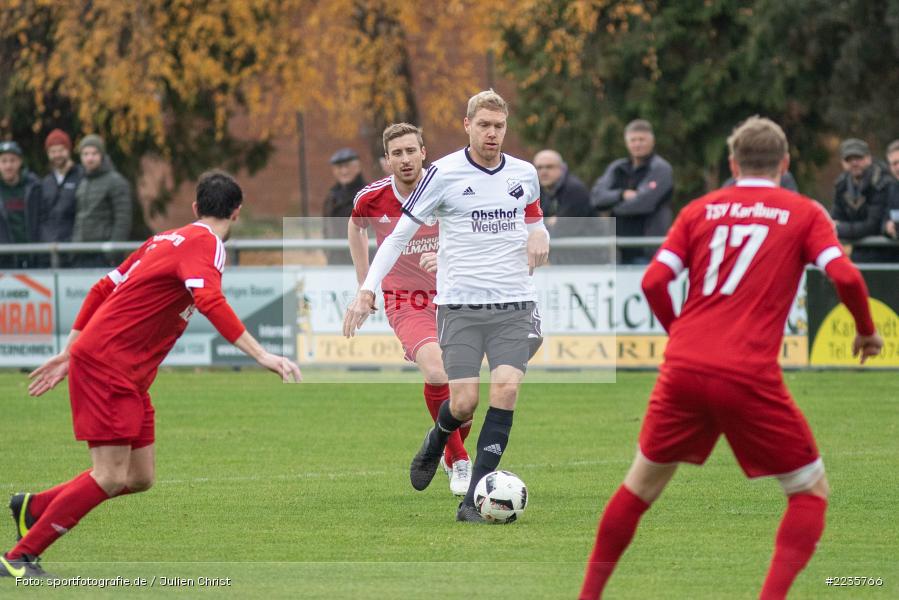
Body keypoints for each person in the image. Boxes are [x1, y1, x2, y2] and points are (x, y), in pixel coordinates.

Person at [579, 117, 883, 600]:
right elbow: (846, 276)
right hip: (747, 372)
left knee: (639, 488)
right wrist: (866, 331)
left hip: (683, 368)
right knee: (809, 492)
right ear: (784, 164)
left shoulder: (700, 209)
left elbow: (654, 281)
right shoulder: (804, 212)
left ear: (733, 164)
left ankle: (588, 595)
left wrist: (680, 333)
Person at [1, 171, 301, 579]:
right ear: (237, 212)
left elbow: (101, 288)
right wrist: (262, 354)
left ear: (195, 207)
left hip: (124, 371)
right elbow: (209, 300)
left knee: (139, 476)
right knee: (109, 475)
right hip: (110, 366)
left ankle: (34, 508)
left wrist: (71, 349)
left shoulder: (164, 239)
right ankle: (18, 557)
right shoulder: (207, 244)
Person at [343, 89, 550, 523]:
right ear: (467, 126)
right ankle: (439, 439)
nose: (492, 133)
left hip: (513, 300)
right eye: (484, 125)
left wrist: (540, 235)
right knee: (464, 402)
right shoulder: (443, 174)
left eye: (499, 126)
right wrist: (367, 289)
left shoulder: (525, 173)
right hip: (459, 305)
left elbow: (535, 219)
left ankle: (472, 499)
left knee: (506, 389)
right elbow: (397, 236)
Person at [348, 123, 471, 496]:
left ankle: (441, 443)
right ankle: (460, 460)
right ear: (387, 160)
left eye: (410, 151)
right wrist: (365, 285)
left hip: (454, 295)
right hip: (406, 300)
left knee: (465, 402)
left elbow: (474, 234)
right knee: (436, 371)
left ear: (424, 153)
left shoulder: (449, 188)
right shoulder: (372, 197)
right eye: (396, 153)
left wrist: (446, 256)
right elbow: (356, 228)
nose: (404, 159)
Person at [590, 120, 673, 264]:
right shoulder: (617, 168)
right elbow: (596, 198)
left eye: (642, 140)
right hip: (617, 251)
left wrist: (613, 206)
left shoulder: (661, 169)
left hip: (647, 251)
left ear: (652, 141)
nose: (637, 144)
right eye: (633, 140)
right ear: (626, 142)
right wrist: (621, 195)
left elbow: (643, 203)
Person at [533, 149, 603, 264]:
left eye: (549, 167)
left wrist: (544, 224)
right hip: (564, 257)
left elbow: (562, 230)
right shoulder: (540, 190)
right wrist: (547, 222)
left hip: (587, 259)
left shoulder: (574, 190)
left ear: (561, 168)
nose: (543, 172)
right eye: (539, 168)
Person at [72, 134, 133, 267]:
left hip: (103, 255)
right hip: (81, 253)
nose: (90, 158)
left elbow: (123, 220)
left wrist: (112, 252)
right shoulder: (82, 182)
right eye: (85, 154)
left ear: (102, 155)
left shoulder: (116, 181)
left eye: (94, 153)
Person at [830, 138, 892, 263]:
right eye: (849, 159)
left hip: (887, 254)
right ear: (843, 163)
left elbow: (873, 226)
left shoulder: (882, 182)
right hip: (859, 254)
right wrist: (836, 227)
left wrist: (839, 229)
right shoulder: (842, 185)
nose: (854, 163)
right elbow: (835, 218)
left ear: (868, 158)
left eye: (858, 158)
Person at [0, 140, 43, 268]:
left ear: (20, 162)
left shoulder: (34, 187)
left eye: (12, 160)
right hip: (5, 260)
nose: (8, 166)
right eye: (4, 161)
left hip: (34, 257)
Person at [39, 129, 83, 245]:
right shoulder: (46, 182)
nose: (57, 155)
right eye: (53, 151)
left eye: (61, 150)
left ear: (68, 150)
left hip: (75, 247)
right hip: (48, 248)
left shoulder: (82, 177)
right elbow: (42, 217)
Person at [323, 148, 365, 265]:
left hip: (363, 257)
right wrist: (328, 251)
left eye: (347, 166)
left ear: (358, 167)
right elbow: (326, 228)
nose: (344, 171)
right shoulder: (331, 196)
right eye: (339, 167)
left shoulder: (368, 194)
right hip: (336, 257)